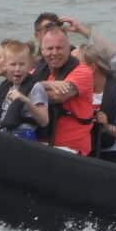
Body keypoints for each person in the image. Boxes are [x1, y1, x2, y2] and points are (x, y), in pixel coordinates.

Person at [37, 25, 96, 155]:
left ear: (69, 49)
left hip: (71, 149)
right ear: (42, 51)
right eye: (50, 48)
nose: (54, 53)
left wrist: (32, 89)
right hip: (41, 144)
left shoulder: (83, 71)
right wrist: (45, 84)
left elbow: (58, 96)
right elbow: (19, 88)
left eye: (59, 48)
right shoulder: (38, 71)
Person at [0, 39, 49, 139]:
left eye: (22, 64)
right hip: (4, 134)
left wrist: (26, 100)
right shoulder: (6, 86)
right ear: (6, 66)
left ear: (29, 66)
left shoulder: (36, 88)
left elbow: (44, 121)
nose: (17, 69)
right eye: (13, 64)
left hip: (24, 136)